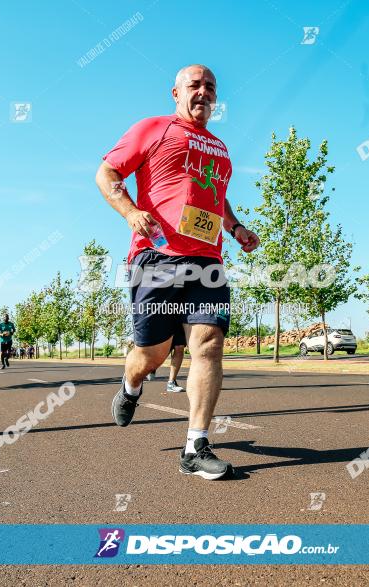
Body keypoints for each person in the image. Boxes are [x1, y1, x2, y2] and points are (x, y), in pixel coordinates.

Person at [95, 64, 259, 480]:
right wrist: (131, 212)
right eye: (195, 85)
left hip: (207, 262)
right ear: (175, 92)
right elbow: (107, 173)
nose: (203, 92)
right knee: (152, 354)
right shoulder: (152, 129)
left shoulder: (220, 149)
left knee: (208, 344)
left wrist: (235, 227)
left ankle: (195, 444)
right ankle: (131, 385)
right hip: (156, 256)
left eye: (211, 87)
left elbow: (217, 198)